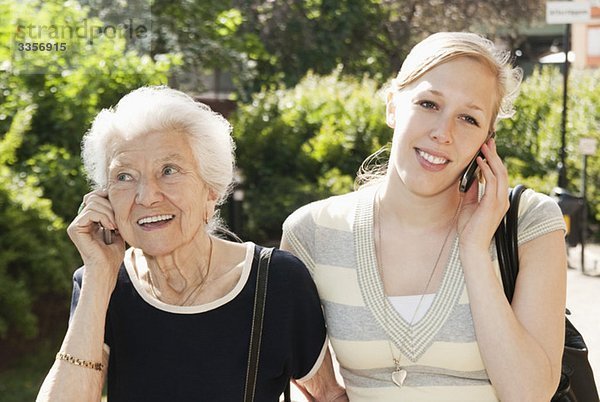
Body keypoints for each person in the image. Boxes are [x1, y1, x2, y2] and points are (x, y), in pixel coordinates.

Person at [281, 32, 567, 401]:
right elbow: (304, 375)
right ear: (392, 106)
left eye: (468, 118)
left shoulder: (529, 223)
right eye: (429, 104)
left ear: (487, 142)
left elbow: (529, 394)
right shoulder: (313, 233)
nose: (442, 133)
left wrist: (475, 250)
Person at [37, 86, 347, 401]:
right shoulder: (102, 285)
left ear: (210, 192)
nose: (146, 197)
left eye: (168, 171)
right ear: (105, 199)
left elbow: (328, 395)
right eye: (124, 177)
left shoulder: (276, 281)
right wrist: (99, 274)